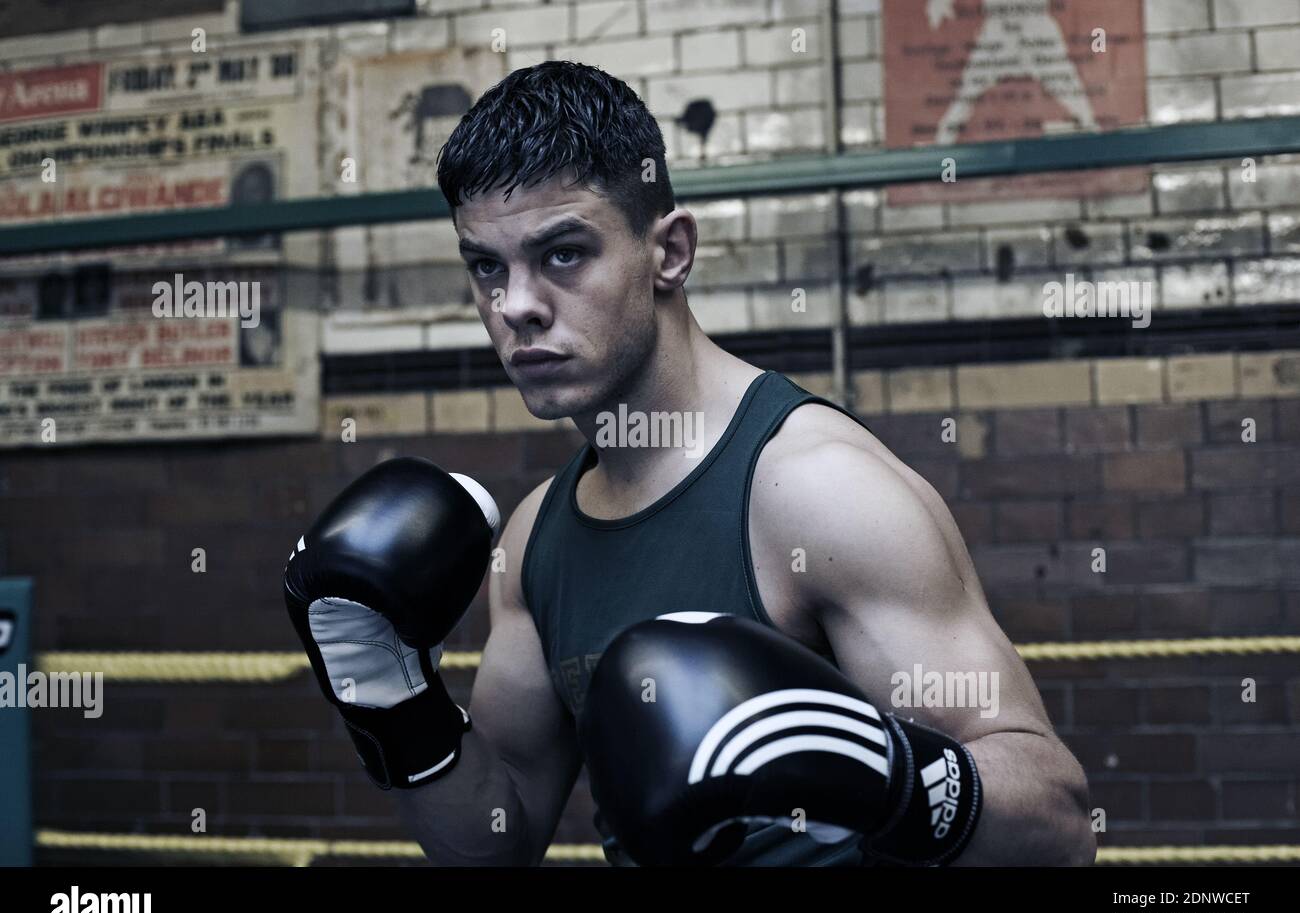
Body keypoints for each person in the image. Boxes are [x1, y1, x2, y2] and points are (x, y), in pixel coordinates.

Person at [284, 61, 1094, 866]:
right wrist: (396, 704)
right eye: (486, 266)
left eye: (562, 253)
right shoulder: (536, 541)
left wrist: (884, 775)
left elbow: (1057, 826)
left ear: (669, 250)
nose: (515, 305)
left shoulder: (817, 488)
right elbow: (499, 842)